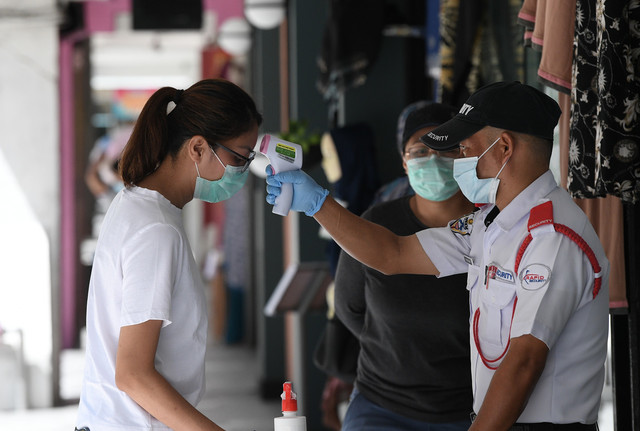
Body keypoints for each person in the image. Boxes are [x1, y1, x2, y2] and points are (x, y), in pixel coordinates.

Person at [265, 81, 609, 430]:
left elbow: (523, 364)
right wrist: (317, 204)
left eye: (464, 148)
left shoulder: (552, 238)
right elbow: (394, 253)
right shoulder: (490, 224)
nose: (457, 160)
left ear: (503, 147)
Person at [75, 78, 262, 431]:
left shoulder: (136, 203)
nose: (242, 171)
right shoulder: (156, 231)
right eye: (239, 156)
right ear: (197, 148)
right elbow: (133, 374)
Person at [334, 102, 475, 431]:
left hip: (467, 410)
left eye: (445, 148)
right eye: (419, 151)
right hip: (381, 404)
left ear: (465, 153)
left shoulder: (489, 226)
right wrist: (394, 344)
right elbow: (349, 308)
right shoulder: (378, 224)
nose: (433, 159)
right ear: (403, 160)